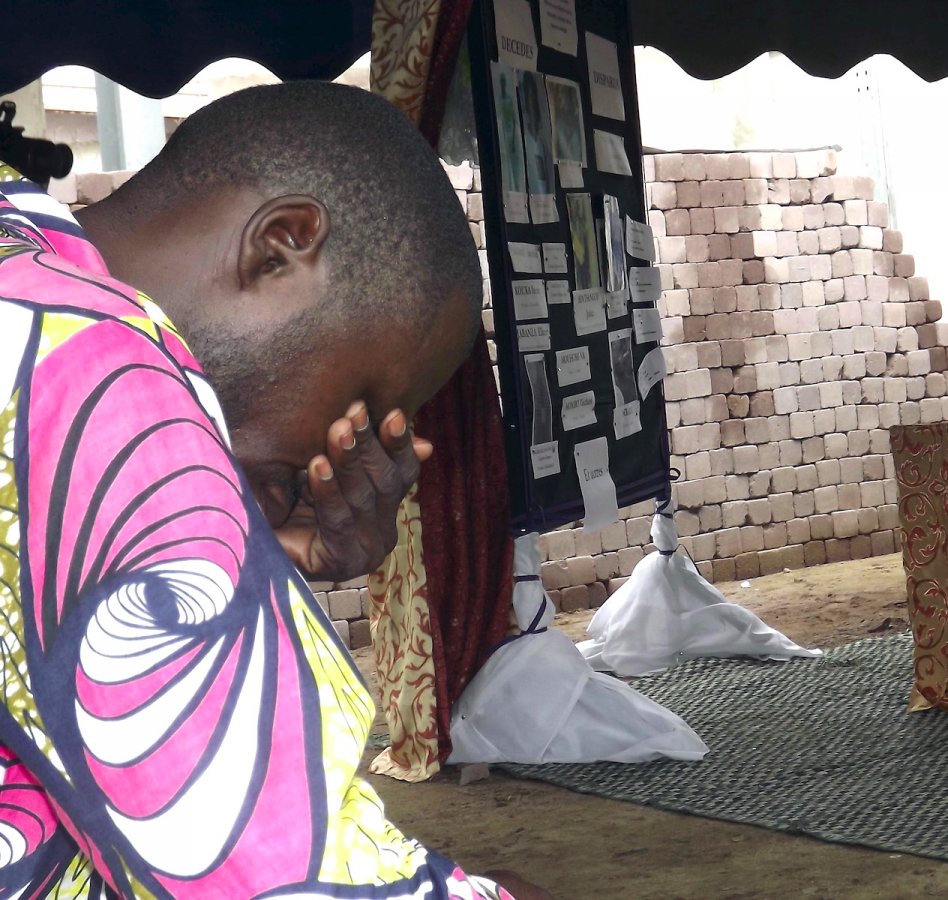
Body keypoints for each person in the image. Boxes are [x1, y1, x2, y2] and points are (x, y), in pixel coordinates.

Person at [0, 82, 547, 899]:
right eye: (363, 401)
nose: (347, 448)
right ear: (281, 245)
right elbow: (266, 873)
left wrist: (238, 549)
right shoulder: (92, 366)